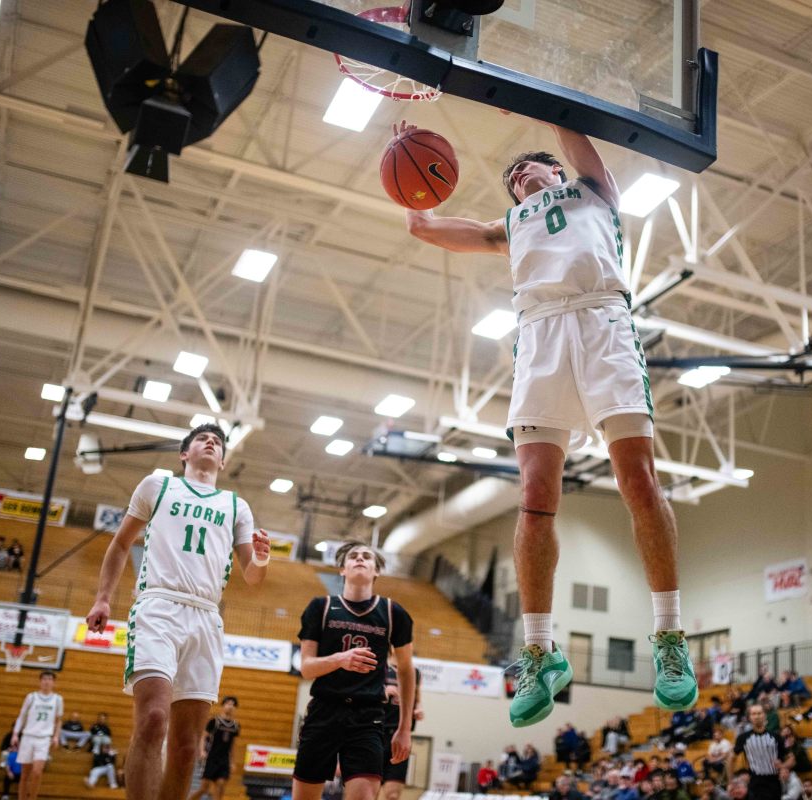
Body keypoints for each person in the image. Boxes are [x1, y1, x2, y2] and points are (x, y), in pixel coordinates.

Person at [403, 118, 698, 724]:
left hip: (602, 323)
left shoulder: (593, 190)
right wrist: (413, 195)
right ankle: (540, 649)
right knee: (535, 498)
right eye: (511, 177)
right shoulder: (509, 225)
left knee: (638, 482)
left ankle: (669, 639)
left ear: (555, 172)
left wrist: (539, 103)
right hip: (539, 336)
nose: (517, 177)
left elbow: (569, 129)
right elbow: (427, 227)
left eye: (527, 168)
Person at [85, 423, 271, 800]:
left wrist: (263, 560)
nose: (211, 443)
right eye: (203, 439)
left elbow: (252, 577)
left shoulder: (237, 506)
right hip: (158, 606)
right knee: (153, 719)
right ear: (184, 454)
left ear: (222, 459)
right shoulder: (158, 486)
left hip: (205, 616)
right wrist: (103, 598)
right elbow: (121, 545)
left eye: (217, 442)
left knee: (187, 746)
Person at [292, 542, 414, 800]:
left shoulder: (393, 613)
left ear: (376, 570)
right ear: (342, 569)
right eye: (353, 556)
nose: (360, 559)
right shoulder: (320, 607)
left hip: (367, 716)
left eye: (367, 557)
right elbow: (306, 667)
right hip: (324, 710)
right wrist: (339, 659)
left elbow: (406, 670)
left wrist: (404, 729)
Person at [10, 671, 63, 800]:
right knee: (24, 775)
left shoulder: (58, 699)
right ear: (40, 681)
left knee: (37, 772)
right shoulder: (31, 697)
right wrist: (15, 734)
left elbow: (59, 720)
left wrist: (56, 736)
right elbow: (21, 716)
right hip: (28, 737)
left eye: (50, 679)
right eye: (44, 679)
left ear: (53, 682)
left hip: (44, 739)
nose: (46, 681)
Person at [379, 651, 422, 800]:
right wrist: (383, 693)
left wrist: (418, 709)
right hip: (377, 732)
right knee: (368, 792)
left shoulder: (415, 672)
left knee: (393, 795)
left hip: (400, 735)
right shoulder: (381, 666)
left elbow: (417, 697)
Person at [730, 706, 791, 800]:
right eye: (753, 714)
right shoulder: (743, 738)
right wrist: (731, 780)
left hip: (774, 781)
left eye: (759, 713)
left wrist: (783, 767)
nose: (757, 716)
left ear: (764, 716)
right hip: (755, 782)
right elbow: (731, 759)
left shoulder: (776, 737)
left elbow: (791, 758)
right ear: (749, 717)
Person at [188, 695, 241, 800]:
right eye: (228, 704)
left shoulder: (236, 726)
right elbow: (204, 736)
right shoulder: (214, 722)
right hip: (211, 757)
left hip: (224, 759)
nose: (230, 706)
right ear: (223, 705)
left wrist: (232, 761)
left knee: (221, 785)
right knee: (204, 788)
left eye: (233, 705)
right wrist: (202, 751)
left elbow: (233, 744)